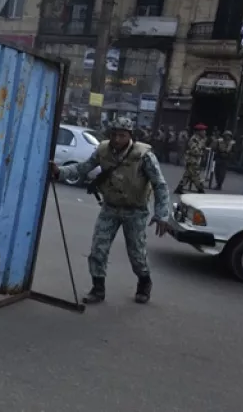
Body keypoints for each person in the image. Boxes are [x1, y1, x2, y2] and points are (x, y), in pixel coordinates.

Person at [50, 118, 171, 305]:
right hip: (110, 207)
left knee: (136, 253)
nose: (117, 139)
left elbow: (160, 185)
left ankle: (144, 282)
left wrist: (162, 213)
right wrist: (60, 172)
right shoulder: (103, 150)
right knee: (98, 248)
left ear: (130, 136)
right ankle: (98, 289)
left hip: (135, 211)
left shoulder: (143, 156)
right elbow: (83, 168)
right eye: (114, 134)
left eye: (122, 135)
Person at [174, 123, 209, 194]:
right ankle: (200, 189)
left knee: (187, 175)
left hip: (195, 160)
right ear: (199, 131)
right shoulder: (194, 139)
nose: (204, 132)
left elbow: (202, 147)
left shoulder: (201, 139)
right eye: (203, 130)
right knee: (195, 175)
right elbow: (194, 151)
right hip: (192, 160)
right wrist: (202, 153)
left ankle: (179, 188)